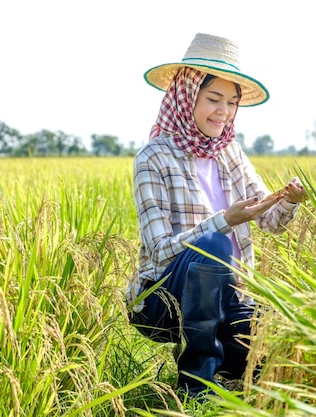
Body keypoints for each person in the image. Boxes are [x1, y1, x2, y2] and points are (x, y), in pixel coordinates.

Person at [126, 33, 306, 398]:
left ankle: (225, 365)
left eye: (231, 102)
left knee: (276, 349)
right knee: (214, 243)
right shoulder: (153, 157)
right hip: (164, 302)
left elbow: (270, 223)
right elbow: (160, 251)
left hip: (230, 298)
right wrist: (224, 221)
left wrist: (289, 201)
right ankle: (196, 384)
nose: (223, 111)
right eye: (213, 99)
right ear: (187, 95)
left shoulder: (231, 154)